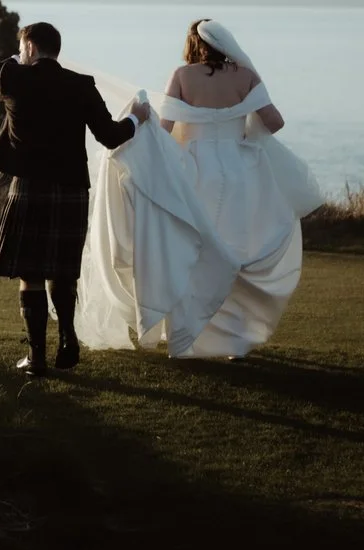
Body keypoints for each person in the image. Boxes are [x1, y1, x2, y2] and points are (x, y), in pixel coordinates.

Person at [77, 19, 324, 359]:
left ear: (193, 44)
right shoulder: (246, 76)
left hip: (193, 171)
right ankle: (232, 339)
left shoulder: (182, 76)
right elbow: (275, 123)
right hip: (240, 172)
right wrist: (242, 121)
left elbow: (164, 128)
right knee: (233, 250)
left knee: (192, 250)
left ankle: (185, 334)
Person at [0, 22, 142, 378]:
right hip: (70, 188)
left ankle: (36, 358)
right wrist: (135, 119)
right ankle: (68, 337)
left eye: (22, 47)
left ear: (31, 47)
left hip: (29, 187)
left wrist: (13, 60)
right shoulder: (80, 85)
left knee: (31, 273)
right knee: (63, 271)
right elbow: (111, 136)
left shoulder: (13, 79)